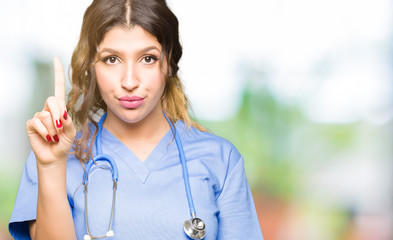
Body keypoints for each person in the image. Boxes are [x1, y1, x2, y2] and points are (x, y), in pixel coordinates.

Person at [9, 0, 263, 239]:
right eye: (111, 59)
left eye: (148, 58)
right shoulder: (52, 154)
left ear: (169, 61)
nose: (129, 81)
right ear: (91, 65)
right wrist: (52, 166)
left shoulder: (221, 161)